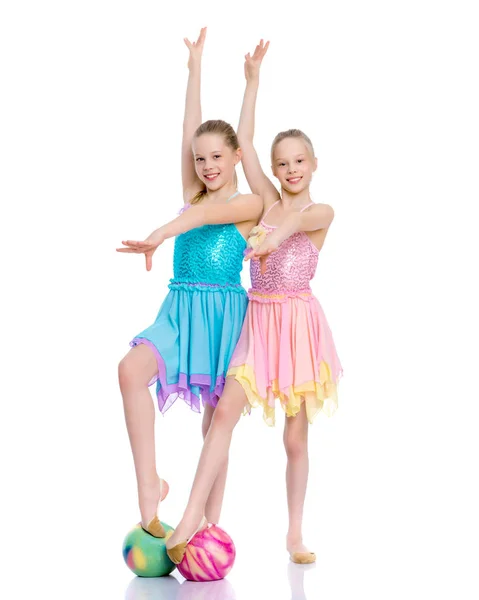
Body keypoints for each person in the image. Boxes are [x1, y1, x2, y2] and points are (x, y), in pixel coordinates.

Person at [166, 40, 342, 565]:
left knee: (293, 440)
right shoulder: (262, 200)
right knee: (223, 417)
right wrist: (251, 80)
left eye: (298, 162)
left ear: (313, 164)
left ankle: (294, 534)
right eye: (281, 163)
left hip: (297, 329)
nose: (289, 170)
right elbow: (243, 139)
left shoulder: (321, 212)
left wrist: (272, 234)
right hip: (257, 323)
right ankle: (191, 517)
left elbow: (293, 220)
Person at [117, 28, 262, 538]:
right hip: (179, 314)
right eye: (200, 160)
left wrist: (164, 229)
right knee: (131, 369)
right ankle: (149, 485)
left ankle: (207, 524)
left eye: (217, 157)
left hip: (225, 318)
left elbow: (199, 222)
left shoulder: (247, 207)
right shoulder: (193, 191)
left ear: (237, 157)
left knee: (214, 423)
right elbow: (187, 135)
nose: (206, 166)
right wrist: (194, 68)